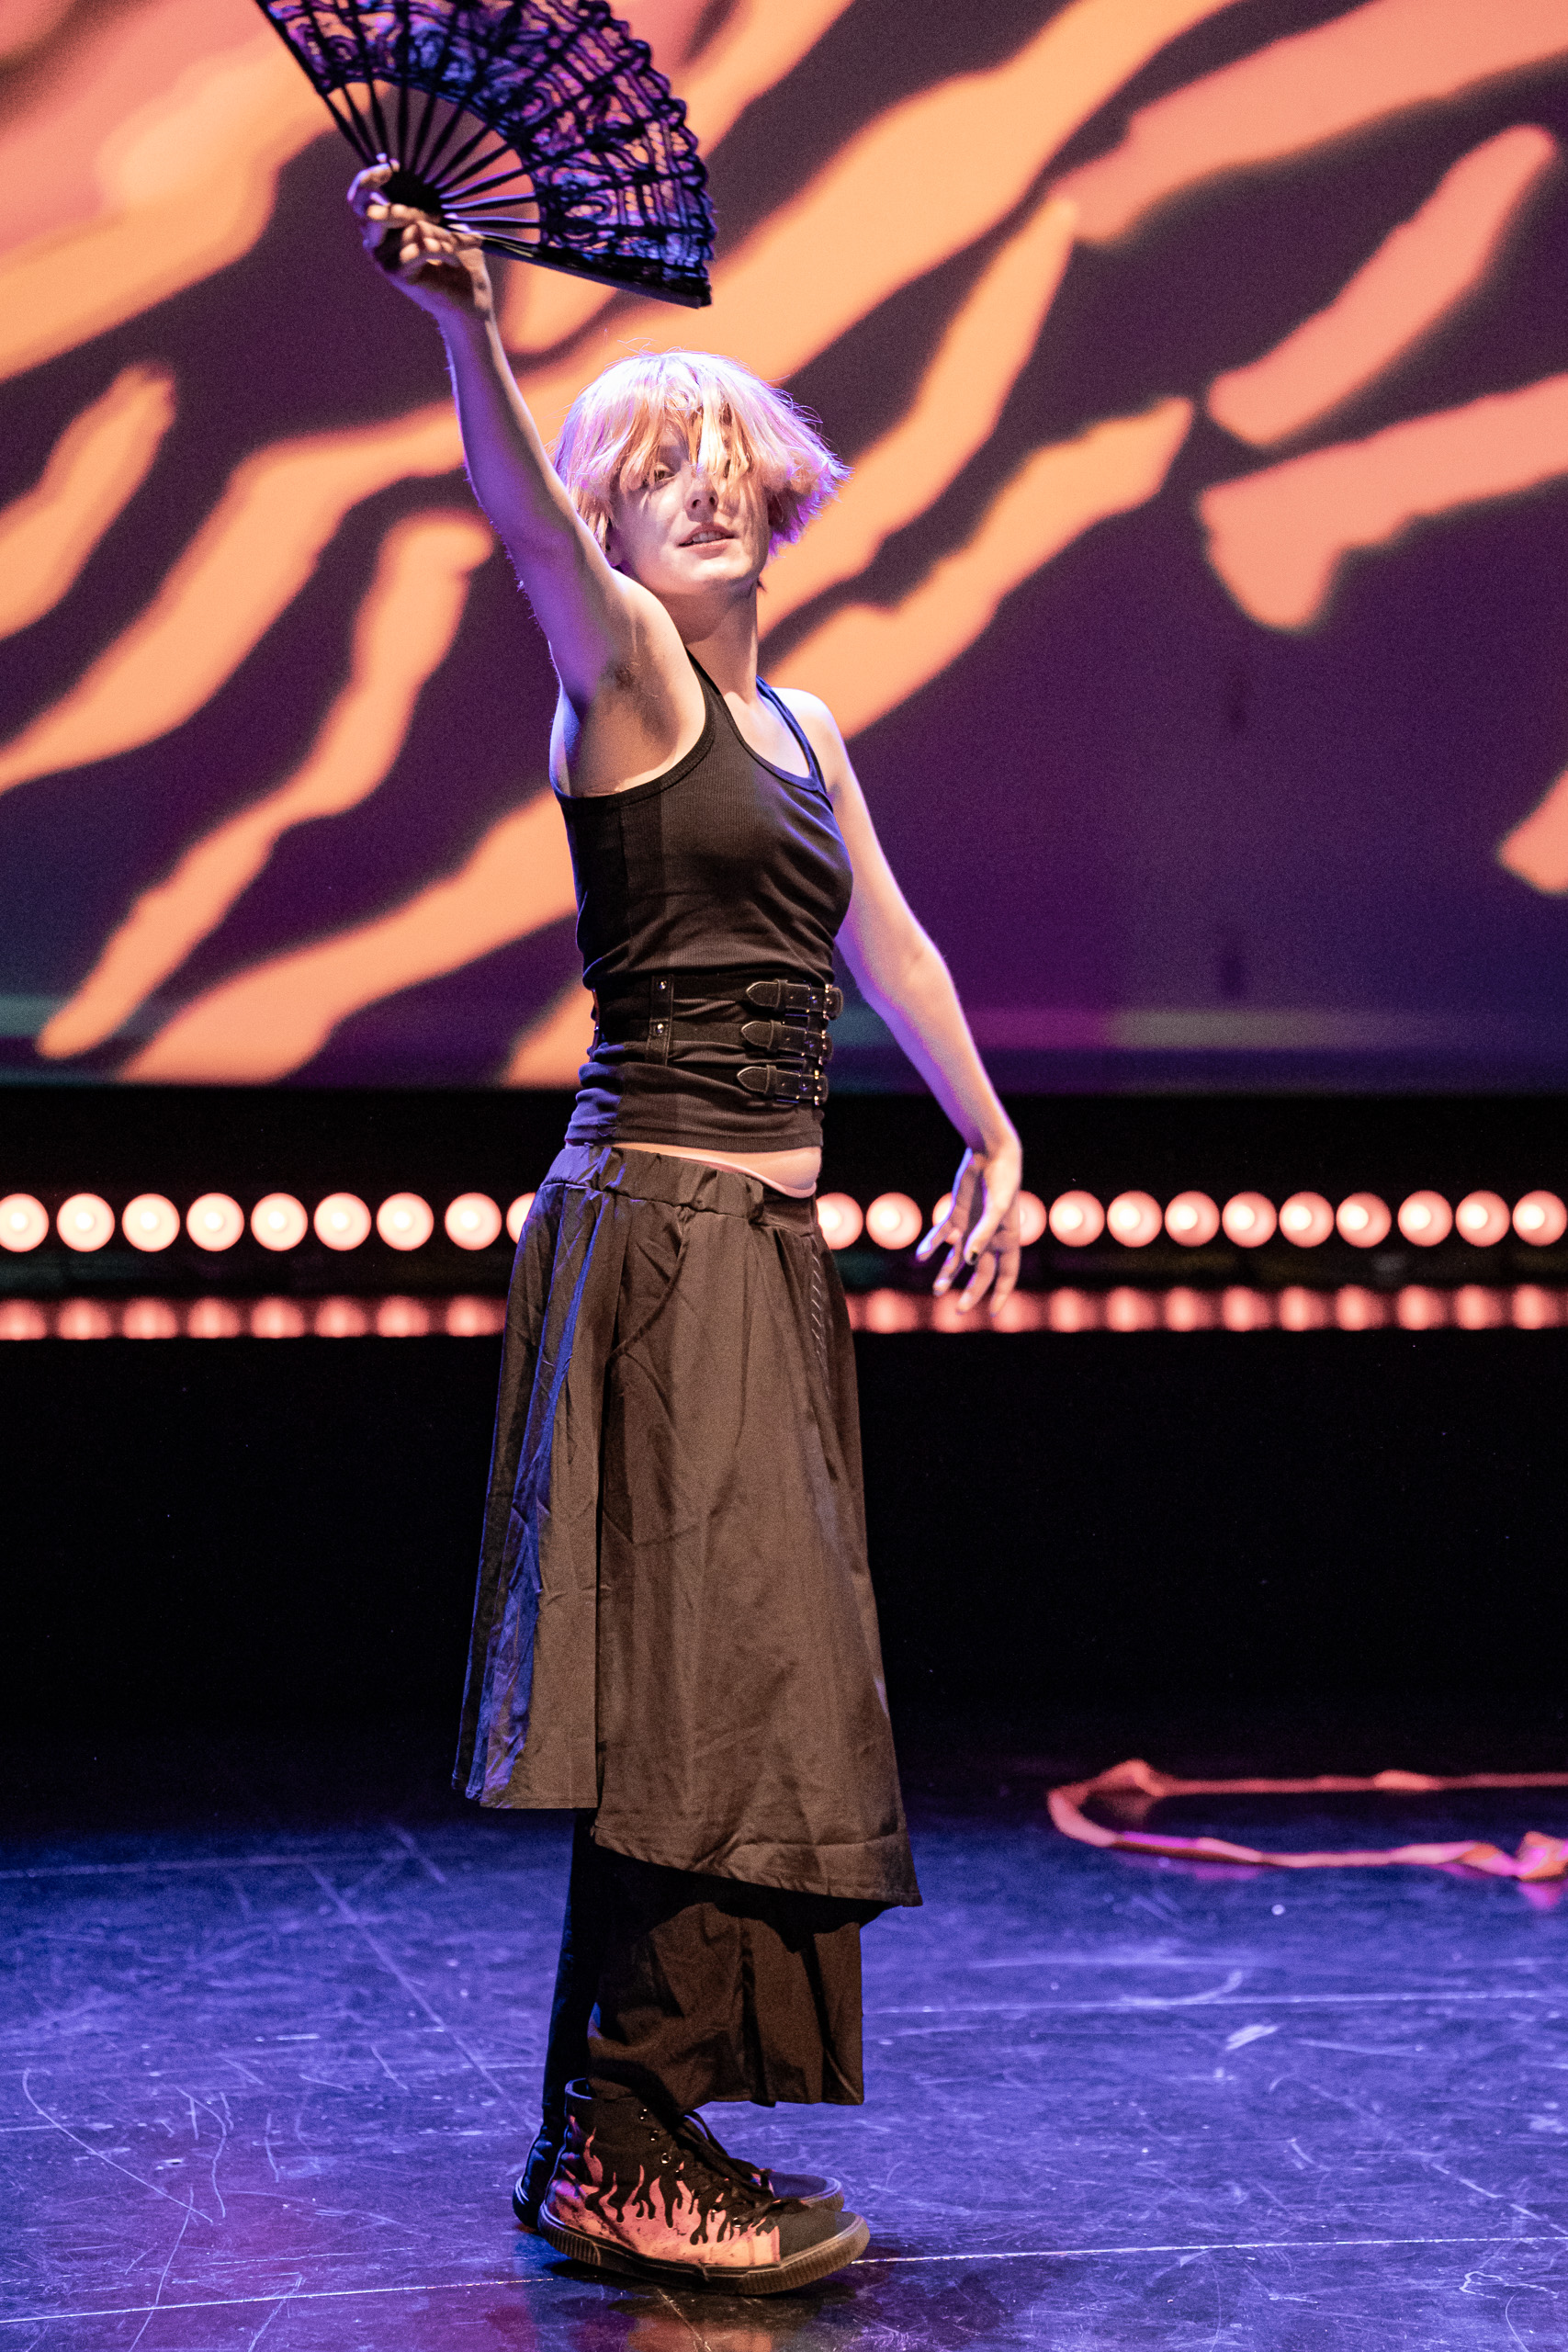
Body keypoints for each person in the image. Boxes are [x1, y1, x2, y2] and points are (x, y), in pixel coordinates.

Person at [351, 164, 1024, 2297]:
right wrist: (470, 330)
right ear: (615, 522)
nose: (706, 486)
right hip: (655, 1234)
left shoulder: (803, 725)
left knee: (728, 1684)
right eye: (660, 468)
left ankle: (608, 2132)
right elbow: (523, 535)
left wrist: (988, 1130)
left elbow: (883, 937)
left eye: (732, 459)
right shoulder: (624, 678)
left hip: (759, 1253)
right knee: (703, 1694)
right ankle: (626, 2144)